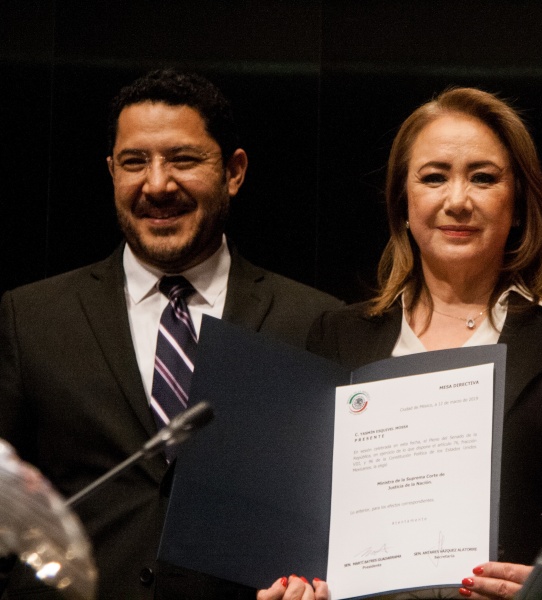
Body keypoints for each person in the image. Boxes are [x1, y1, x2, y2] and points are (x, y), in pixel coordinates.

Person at [0, 70, 340, 600]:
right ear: (112, 172)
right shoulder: (33, 316)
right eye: (135, 162)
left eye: (183, 159)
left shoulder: (313, 322)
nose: (157, 185)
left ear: (233, 171)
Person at [306, 87, 542, 600]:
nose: (457, 200)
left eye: (483, 178)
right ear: (403, 200)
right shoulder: (337, 336)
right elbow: (309, 520)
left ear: (519, 202)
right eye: (434, 177)